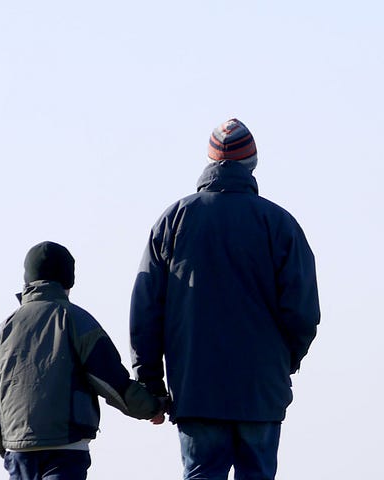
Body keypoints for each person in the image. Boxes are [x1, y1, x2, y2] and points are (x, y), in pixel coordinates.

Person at [130, 118, 320, 480]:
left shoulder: (174, 220)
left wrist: (151, 383)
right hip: (260, 390)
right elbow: (303, 312)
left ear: (209, 162)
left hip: (196, 390)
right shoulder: (279, 224)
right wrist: (284, 361)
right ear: (253, 164)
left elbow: (146, 311)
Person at [0, 241, 165, 480]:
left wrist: (3, 445)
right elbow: (112, 382)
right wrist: (152, 408)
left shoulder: (4, 330)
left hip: (18, 450)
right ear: (69, 280)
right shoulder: (77, 320)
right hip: (65, 448)